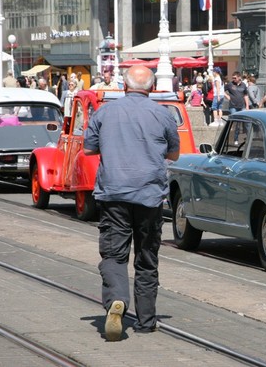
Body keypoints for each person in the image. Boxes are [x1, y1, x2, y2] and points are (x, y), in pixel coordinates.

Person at [83, 65, 180, 341]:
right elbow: (174, 153)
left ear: (123, 86)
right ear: (151, 89)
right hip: (149, 197)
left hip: (113, 195)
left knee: (114, 255)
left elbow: (89, 148)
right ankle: (147, 321)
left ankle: (117, 299)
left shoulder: (105, 112)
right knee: (147, 258)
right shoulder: (163, 114)